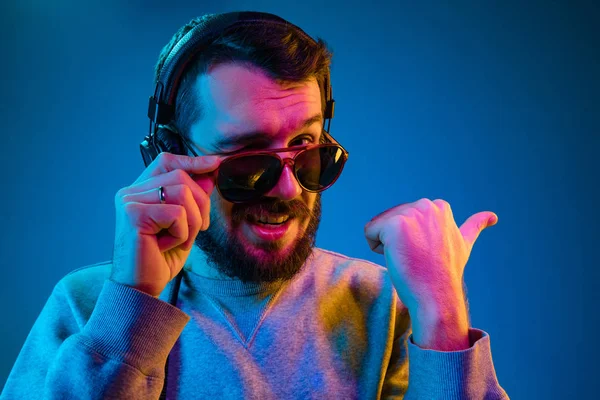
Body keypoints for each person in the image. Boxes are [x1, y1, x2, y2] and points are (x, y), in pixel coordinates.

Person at [1, 11, 509, 399]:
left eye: (309, 154)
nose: (289, 191)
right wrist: (131, 313)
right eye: (248, 161)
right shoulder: (89, 308)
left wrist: (443, 320)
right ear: (171, 155)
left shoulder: (387, 305)